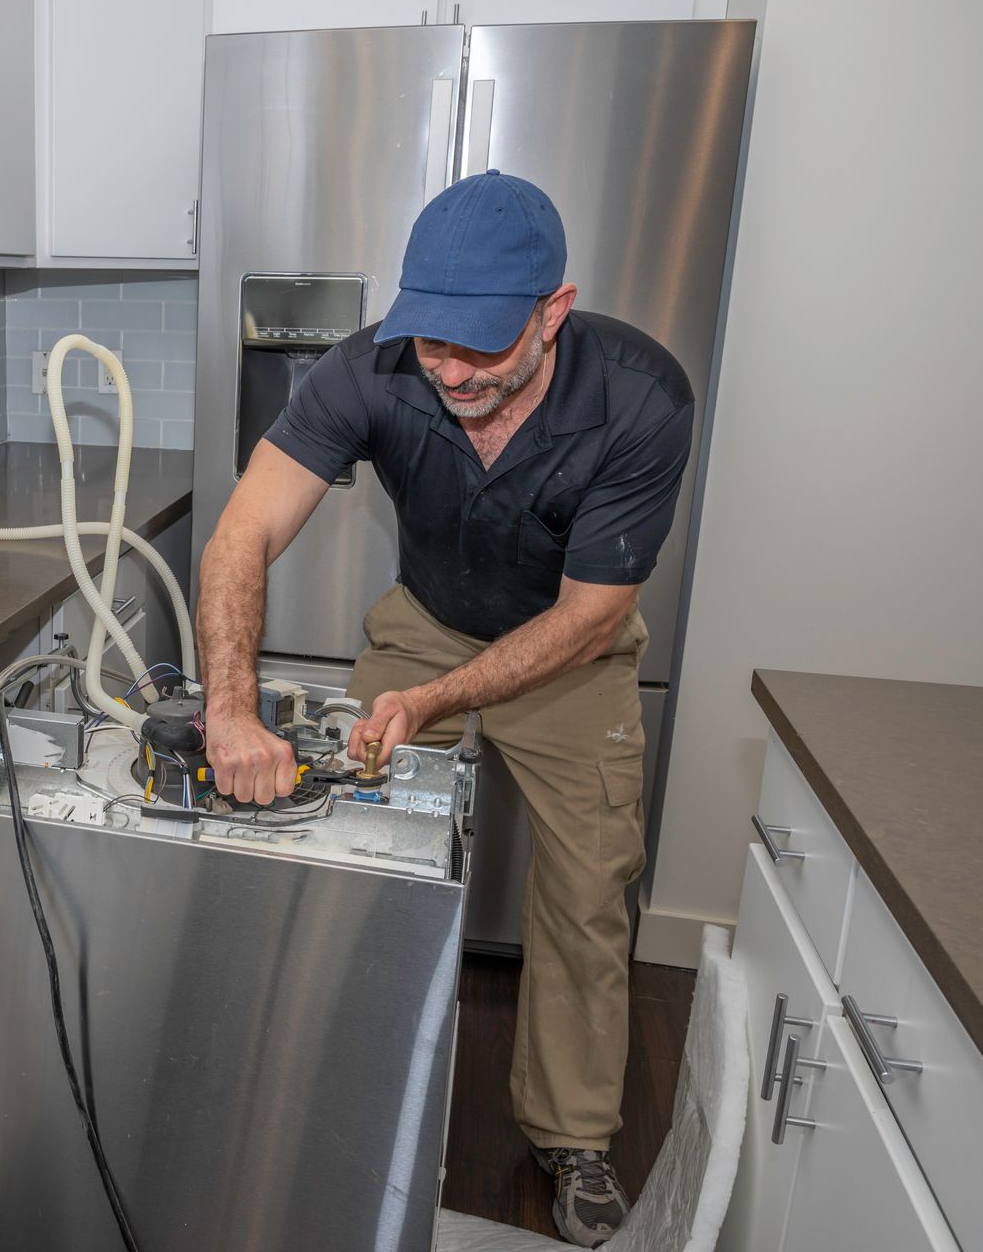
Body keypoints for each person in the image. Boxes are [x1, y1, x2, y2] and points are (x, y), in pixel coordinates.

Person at [195, 170, 695, 1248]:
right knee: (352, 843)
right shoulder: (367, 369)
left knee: (589, 883)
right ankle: (345, 1092)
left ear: (552, 312)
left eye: (481, 346)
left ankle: (571, 1137)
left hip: (570, 649)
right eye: (435, 343)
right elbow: (240, 533)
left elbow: (588, 618)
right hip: (426, 620)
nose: (453, 370)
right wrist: (228, 710)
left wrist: (432, 700)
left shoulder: (643, 399)